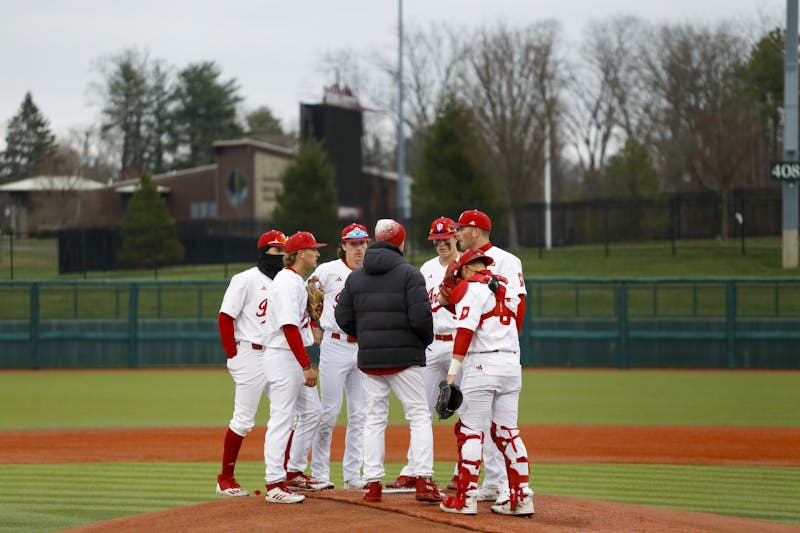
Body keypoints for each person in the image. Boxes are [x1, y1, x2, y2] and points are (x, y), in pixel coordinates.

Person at [335, 218, 444, 504]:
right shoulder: (410, 274)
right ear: (400, 242)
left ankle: (372, 485)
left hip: (370, 359)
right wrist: (422, 342)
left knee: (374, 420)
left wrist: (367, 337)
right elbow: (421, 318)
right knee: (419, 417)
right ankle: (423, 481)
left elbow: (342, 318)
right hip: (405, 358)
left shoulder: (356, 277)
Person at [438, 248, 534, 517]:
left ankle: (465, 499)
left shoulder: (473, 289)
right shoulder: (507, 287)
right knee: (507, 432)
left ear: (468, 270)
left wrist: (452, 372)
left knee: (470, 431)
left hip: (483, 364)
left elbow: (465, 332)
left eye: (461, 274)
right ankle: (522, 497)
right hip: (512, 365)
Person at [450, 208, 528, 504]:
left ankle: (490, 489)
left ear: (476, 231)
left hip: (487, 351)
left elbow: (517, 306)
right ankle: (506, 488)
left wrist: (506, 340)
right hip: (491, 353)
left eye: (461, 229)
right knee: (500, 427)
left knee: (478, 425)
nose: (456, 234)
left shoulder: (507, 260)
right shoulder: (461, 262)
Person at [387, 216, 460, 490]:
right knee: (420, 410)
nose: (441, 244)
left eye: (445, 239)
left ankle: (462, 472)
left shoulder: (466, 265)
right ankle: (414, 470)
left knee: (466, 411)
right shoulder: (427, 268)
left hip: (457, 344)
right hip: (431, 343)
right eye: (436, 240)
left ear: (456, 237)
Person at [215, 229, 287, 497]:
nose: (280, 256)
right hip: (249, 352)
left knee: (286, 416)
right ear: (263, 251)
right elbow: (225, 317)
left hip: (277, 353)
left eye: (284, 251)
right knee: (244, 420)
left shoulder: (287, 281)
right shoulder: (244, 279)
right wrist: (232, 352)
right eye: (276, 250)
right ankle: (225, 478)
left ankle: (282, 476)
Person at [262, 231, 329, 504]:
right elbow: (288, 327)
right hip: (283, 356)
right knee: (282, 419)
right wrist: (305, 365)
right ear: (300, 253)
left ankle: (294, 472)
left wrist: (313, 320)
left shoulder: (295, 281)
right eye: (313, 249)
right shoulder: (287, 282)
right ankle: (274, 483)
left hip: (290, 355)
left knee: (313, 411)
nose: (317, 254)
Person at [309, 223, 371, 490]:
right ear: (343, 246)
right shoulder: (328, 270)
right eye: (353, 244)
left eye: (362, 244)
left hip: (364, 347)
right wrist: (313, 325)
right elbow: (307, 295)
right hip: (335, 344)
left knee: (359, 413)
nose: (358, 249)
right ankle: (320, 472)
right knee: (329, 412)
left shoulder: (373, 271)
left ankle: (352, 475)